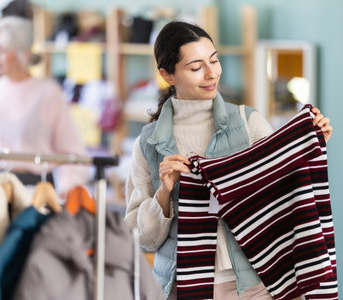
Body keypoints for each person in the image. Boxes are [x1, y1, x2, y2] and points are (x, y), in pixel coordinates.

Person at [124, 21, 332, 300]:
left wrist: (307, 147)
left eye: (214, 60)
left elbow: (284, 192)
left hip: (253, 285)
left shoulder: (248, 123)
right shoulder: (148, 144)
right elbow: (144, 239)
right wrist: (164, 193)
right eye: (196, 67)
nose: (212, 74)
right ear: (167, 75)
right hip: (178, 288)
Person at [0, 16, 89, 196]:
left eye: (2, 50)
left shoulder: (48, 92)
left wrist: (67, 188)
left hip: (34, 190)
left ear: (24, 53)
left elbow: (72, 151)